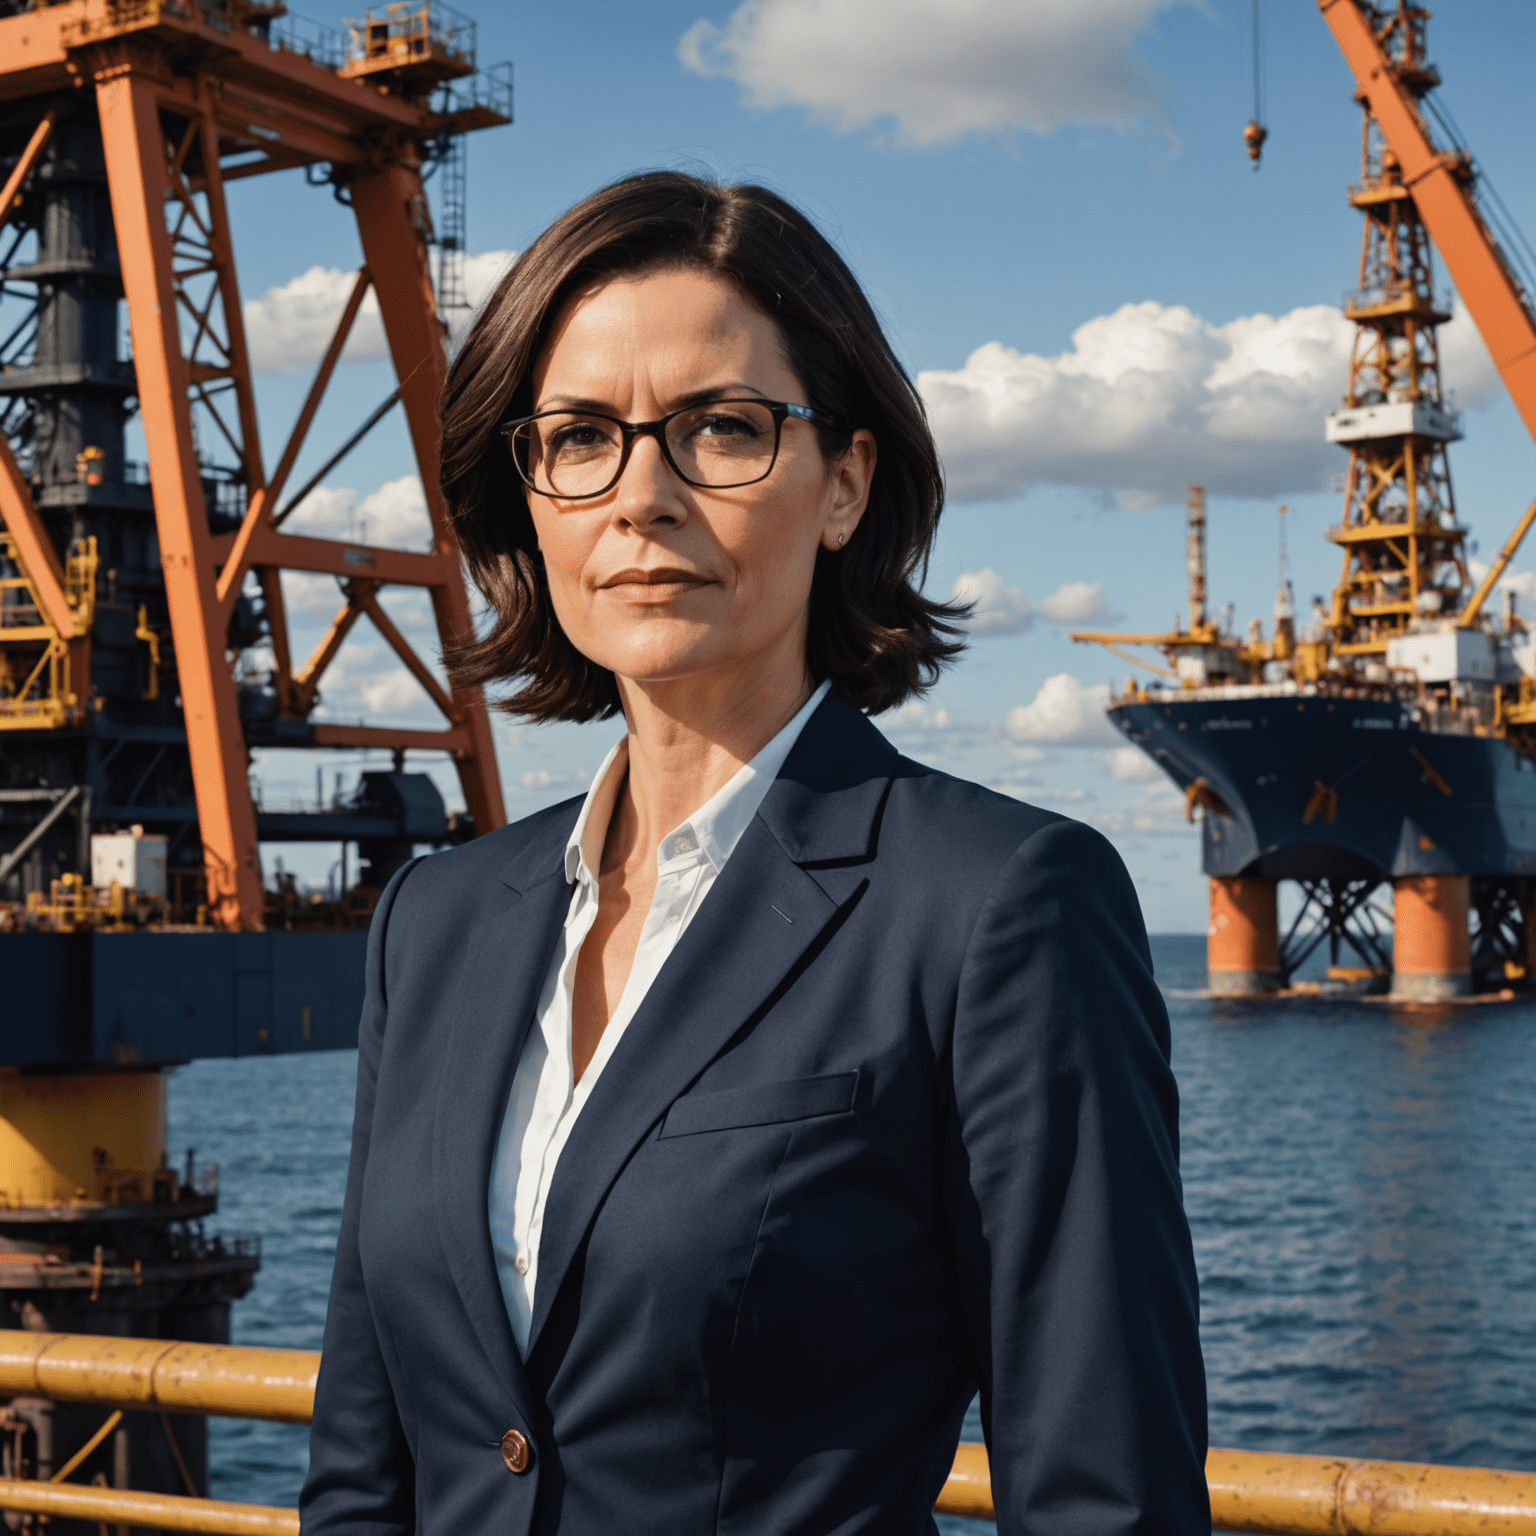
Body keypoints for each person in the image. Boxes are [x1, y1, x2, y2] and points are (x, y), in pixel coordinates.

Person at [301, 171, 1208, 1536]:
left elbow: (1106, 1492)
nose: (642, 496)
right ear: (528, 498)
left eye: (723, 430)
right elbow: (364, 1471)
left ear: (846, 483)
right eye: (580, 437)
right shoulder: (435, 921)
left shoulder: (998, 907)